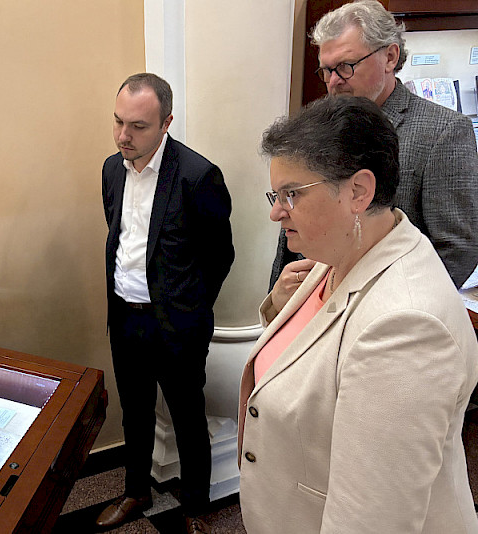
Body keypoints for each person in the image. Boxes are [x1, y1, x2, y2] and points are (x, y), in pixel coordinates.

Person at [239, 95, 478, 533]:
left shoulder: (406, 327)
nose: (276, 211)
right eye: (277, 193)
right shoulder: (336, 255)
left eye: (291, 194)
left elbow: (369, 522)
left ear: (358, 191)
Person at [98, 73, 234, 534]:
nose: (123, 135)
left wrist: (189, 311)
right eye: (118, 122)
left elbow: (220, 256)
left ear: (166, 122)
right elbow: (120, 239)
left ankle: (196, 508)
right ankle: (135, 491)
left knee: (187, 419)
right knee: (133, 412)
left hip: (177, 326)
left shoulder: (198, 176)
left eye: (137, 126)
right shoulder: (111, 169)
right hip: (125, 318)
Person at [270, 0, 478, 292]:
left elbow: (457, 248)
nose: (333, 82)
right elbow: (293, 219)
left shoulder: (442, 131)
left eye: (345, 66)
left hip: (385, 307)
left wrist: (386, 302)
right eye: (326, 70)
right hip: (310, 296)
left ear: (390, 57)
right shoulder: (318, 119)